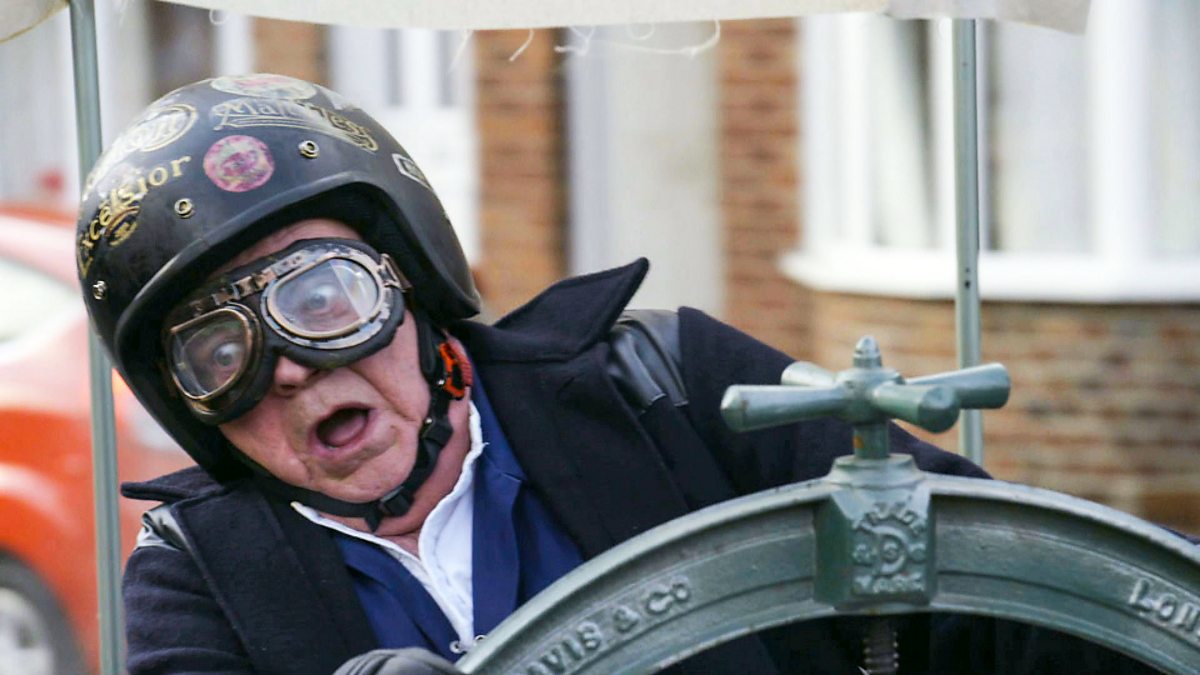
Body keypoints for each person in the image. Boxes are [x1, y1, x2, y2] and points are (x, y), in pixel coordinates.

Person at [77, 74, 1159, 675]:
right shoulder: (196, 577)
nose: (290, 371)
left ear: (409, 279)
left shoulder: (672, 386)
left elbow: (1024, 599)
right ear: (190, 406)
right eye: (219, 354)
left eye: (324, 298)